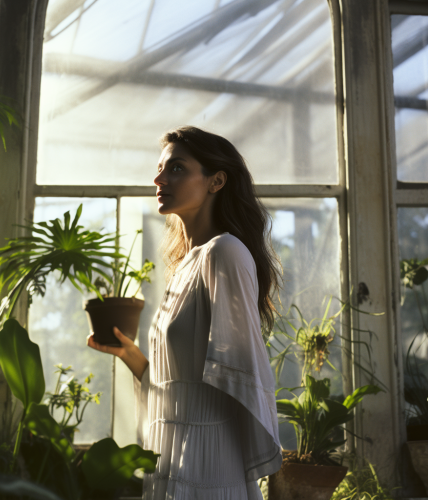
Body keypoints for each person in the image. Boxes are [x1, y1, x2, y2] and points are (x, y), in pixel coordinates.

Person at [87, 126, 282, 499]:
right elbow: (180, 384)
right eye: (160, 169)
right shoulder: (185, 266)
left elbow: (241, 374)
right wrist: (132, 356)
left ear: (216, 181)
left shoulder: (224, 252)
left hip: (209, 466)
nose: (159, 178)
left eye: (176, 168)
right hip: (175, 461)